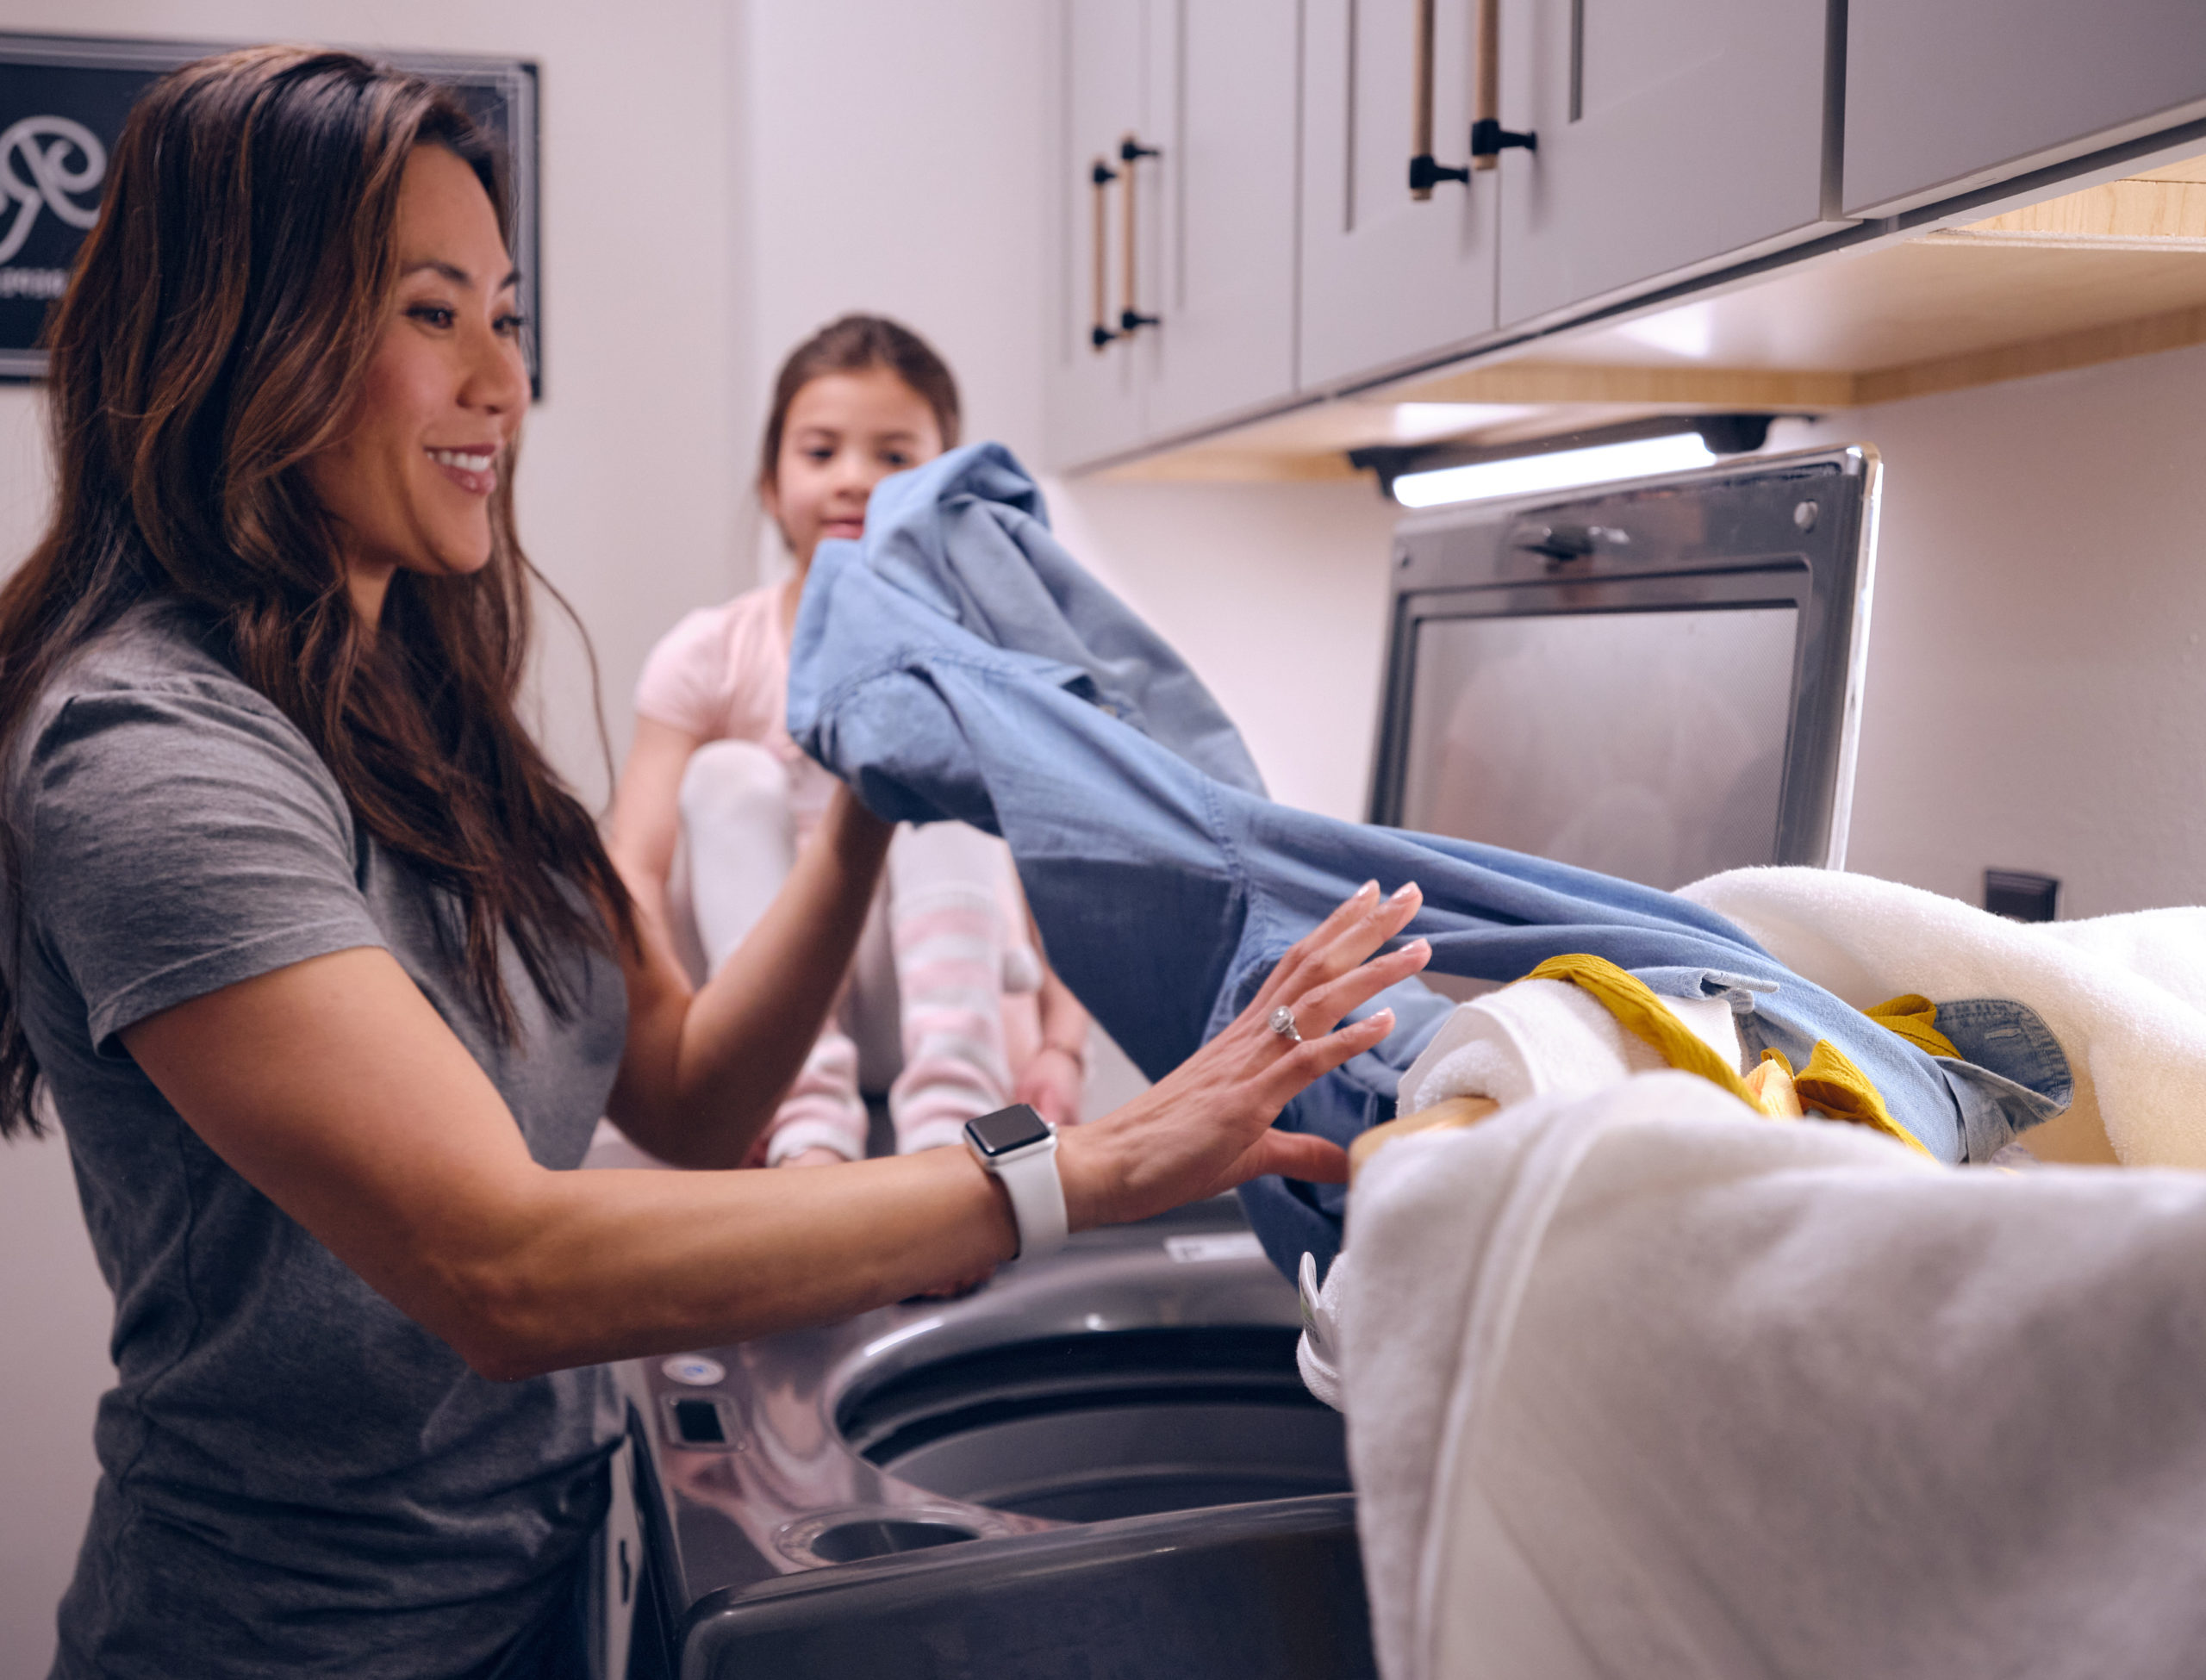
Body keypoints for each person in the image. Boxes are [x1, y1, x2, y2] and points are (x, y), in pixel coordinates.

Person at [0, 47, 1428, 1680]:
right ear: (245, 334)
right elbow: (502, 1265)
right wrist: (1081, 1173)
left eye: (509, 316)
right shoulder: (148, 755)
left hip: (527, 1594)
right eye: (429, 312)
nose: (497, 382)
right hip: (289, 1646)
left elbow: (680, 1089)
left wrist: (866, 804)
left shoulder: (426, 705)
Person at [607, 316, 1091, 1168]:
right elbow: (630, 873)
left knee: (934, 758)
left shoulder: (984, 650)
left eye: (895, 457)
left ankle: (956, 1129)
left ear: (946, 486)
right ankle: (803, 1122)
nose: (854, 481)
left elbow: (1064, 865)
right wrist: (687, 1065)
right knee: (723, 774)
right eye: (821, 452)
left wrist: (1063, 1046)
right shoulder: (711, 652)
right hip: (773, 1030)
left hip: (951, 1016)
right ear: (769, 481)